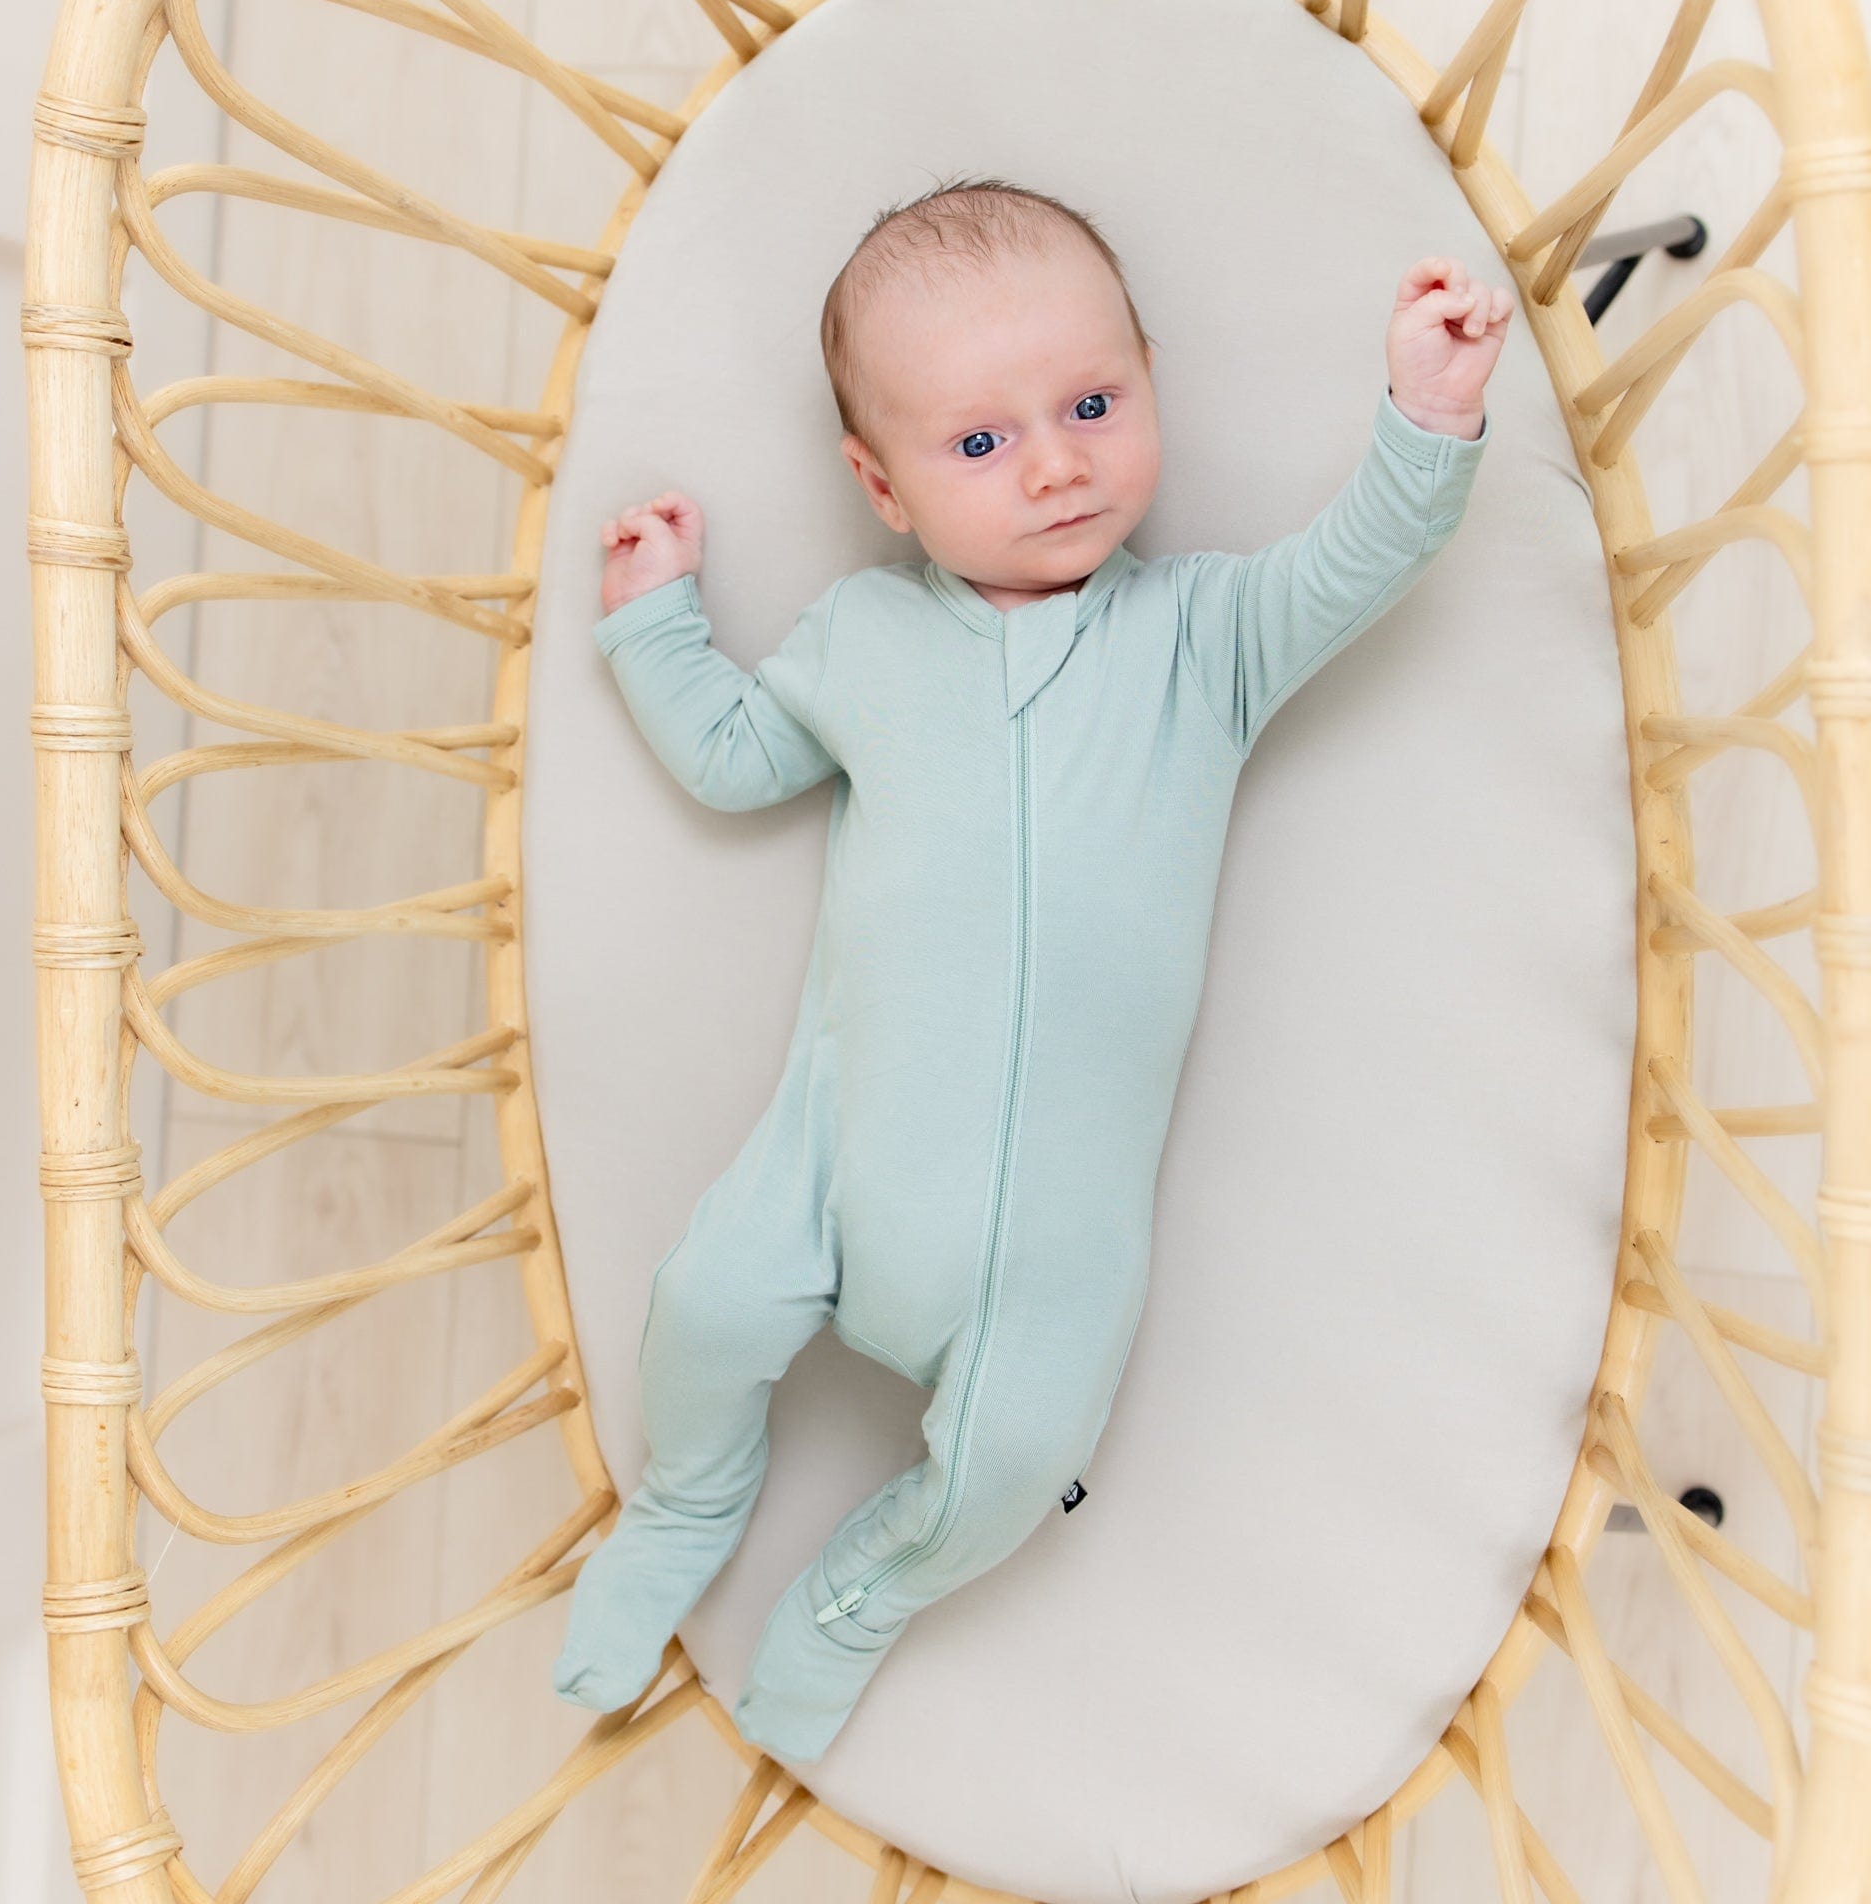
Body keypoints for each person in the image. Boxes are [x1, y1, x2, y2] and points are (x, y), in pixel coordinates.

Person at [552, 177, 1508, 1761]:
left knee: (1020, 1466)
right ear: (884, 486)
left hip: (1052, 1237)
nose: (1057, 463)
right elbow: (735, 759)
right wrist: (658, 625)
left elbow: (1363, 558)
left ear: (1149, 382)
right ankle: (689, 1496)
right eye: (981, 444)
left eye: (1090, 403)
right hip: (833, 1151)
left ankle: (863, 1591)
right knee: (703, 1308)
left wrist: (1429, 409)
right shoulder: (863, 638)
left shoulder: (1205, 636)